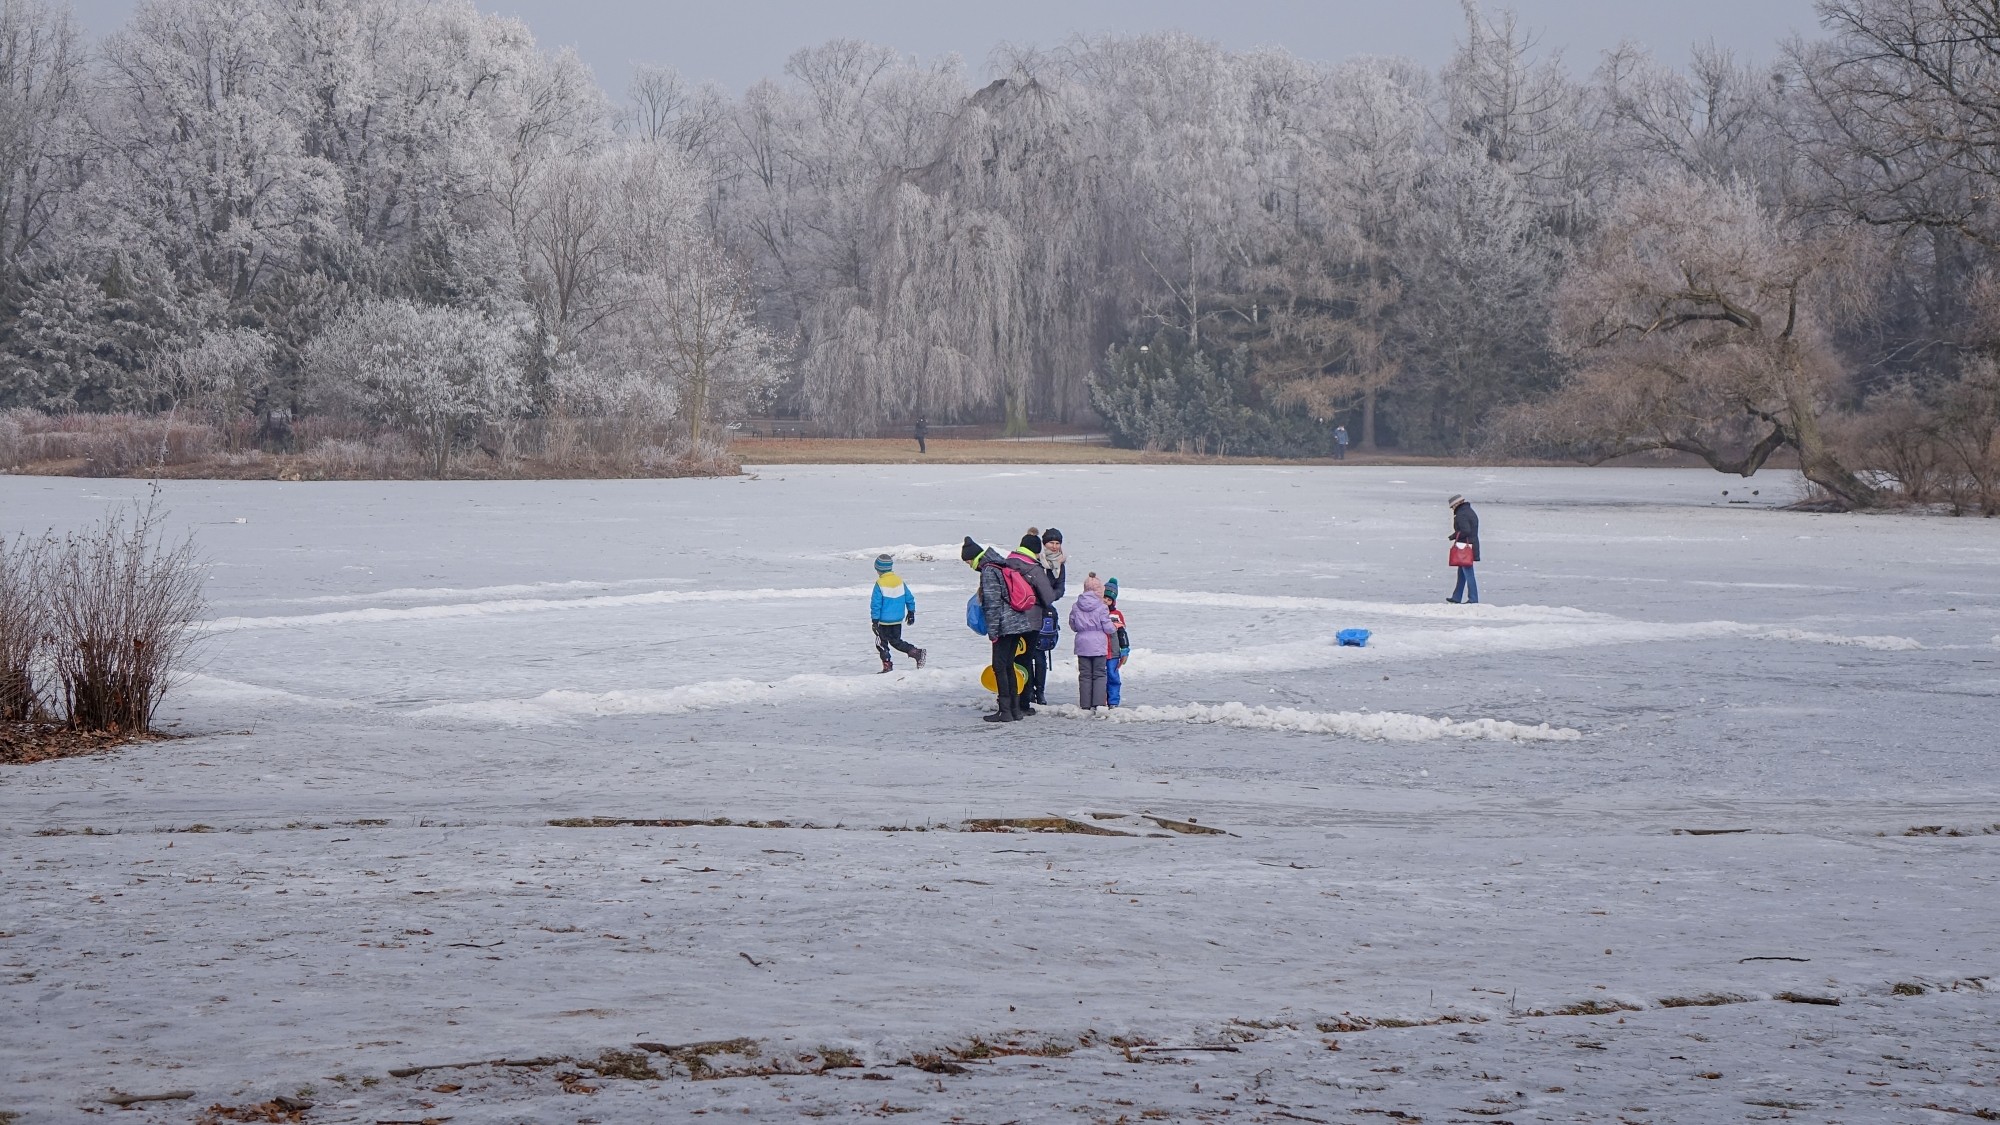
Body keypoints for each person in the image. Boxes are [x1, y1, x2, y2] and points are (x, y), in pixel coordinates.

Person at [964, 535, 1050, 723]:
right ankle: (1014, 710)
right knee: (1009, 665)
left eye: (968, 561)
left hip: (1005, 625)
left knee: (999, 666)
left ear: (973, 558)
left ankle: (1005, 711)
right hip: (1018, 622)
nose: (969, 565)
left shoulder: (988, 571)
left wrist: (993, 632)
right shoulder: (1000, 564)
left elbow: (993, 604)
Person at [1025, 527, 1067, 706]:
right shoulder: (1035, 561)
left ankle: (1039, 691)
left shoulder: (1060, 564)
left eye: (1058, 543)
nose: (1055, 546)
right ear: (1044, 543)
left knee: (1041, 655)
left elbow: (1060, 588)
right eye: (1052, 542)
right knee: (1028, 653)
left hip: (1046, 611)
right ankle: (1027, 691)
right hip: (1029, 609)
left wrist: (1049, 596)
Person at [869, 554, 926, 672]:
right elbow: (909, 597)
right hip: (897, 620)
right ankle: (915, 652)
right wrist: (911, 612)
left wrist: (875, 620)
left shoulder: (879, 583)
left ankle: (887, 665)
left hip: (883, 621)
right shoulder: (899, 581)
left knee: (881, 643)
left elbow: (876, 604)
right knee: (896, 641)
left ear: (878, 569)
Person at [1069, 574, 1117, 710]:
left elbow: (1073, 625)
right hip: (1098, 644)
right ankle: (1098, 703)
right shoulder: (1102, 607)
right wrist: (1114, 627)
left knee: (1084, 675)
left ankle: (1085, 704)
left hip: (1082, 644)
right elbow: (1108, 627)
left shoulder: (1076, 606)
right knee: (1099, 674)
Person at [1447, 494, 1481, 604]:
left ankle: (1473, 598)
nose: (1452, 509)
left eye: (1452, 507)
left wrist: (1453, 536)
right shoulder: (1469, 511)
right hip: (1471, 545)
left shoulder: (1461, 514)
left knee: (1468, 573)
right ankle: (1456, 597)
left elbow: (1465, 530)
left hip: (1465, 548)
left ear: (1457, 504)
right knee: (1462, 574)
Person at [1104, 577, 1129, 708]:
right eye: (1104, 598)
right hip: (1100, 651)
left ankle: (1113, 701)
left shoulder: (1116, 614)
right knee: (1101, 677)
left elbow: (1122, 634)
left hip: (1113, 653)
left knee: (1113, 677)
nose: (1106, 601)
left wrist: (1125, 650)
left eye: (1109, 599)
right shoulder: (1097, 612)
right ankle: (1100, 700)